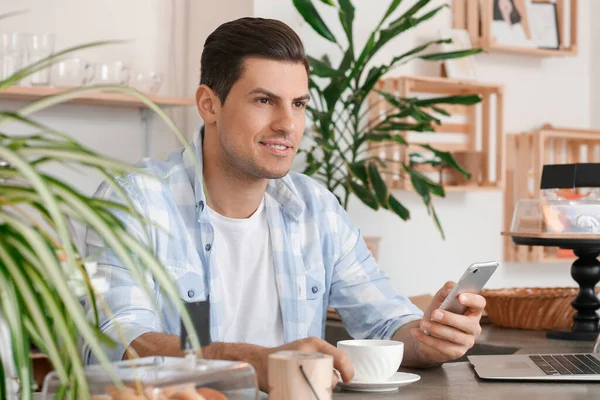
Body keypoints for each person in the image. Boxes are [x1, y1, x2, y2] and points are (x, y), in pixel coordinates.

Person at [82, 17, 486, 392]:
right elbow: (116, 343)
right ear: (209, 104)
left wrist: (429, 340)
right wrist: (252, 362)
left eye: (298, 104)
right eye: (264, 100)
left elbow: (386, 322)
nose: (288, 124)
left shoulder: (316, 209)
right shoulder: (135, 201)